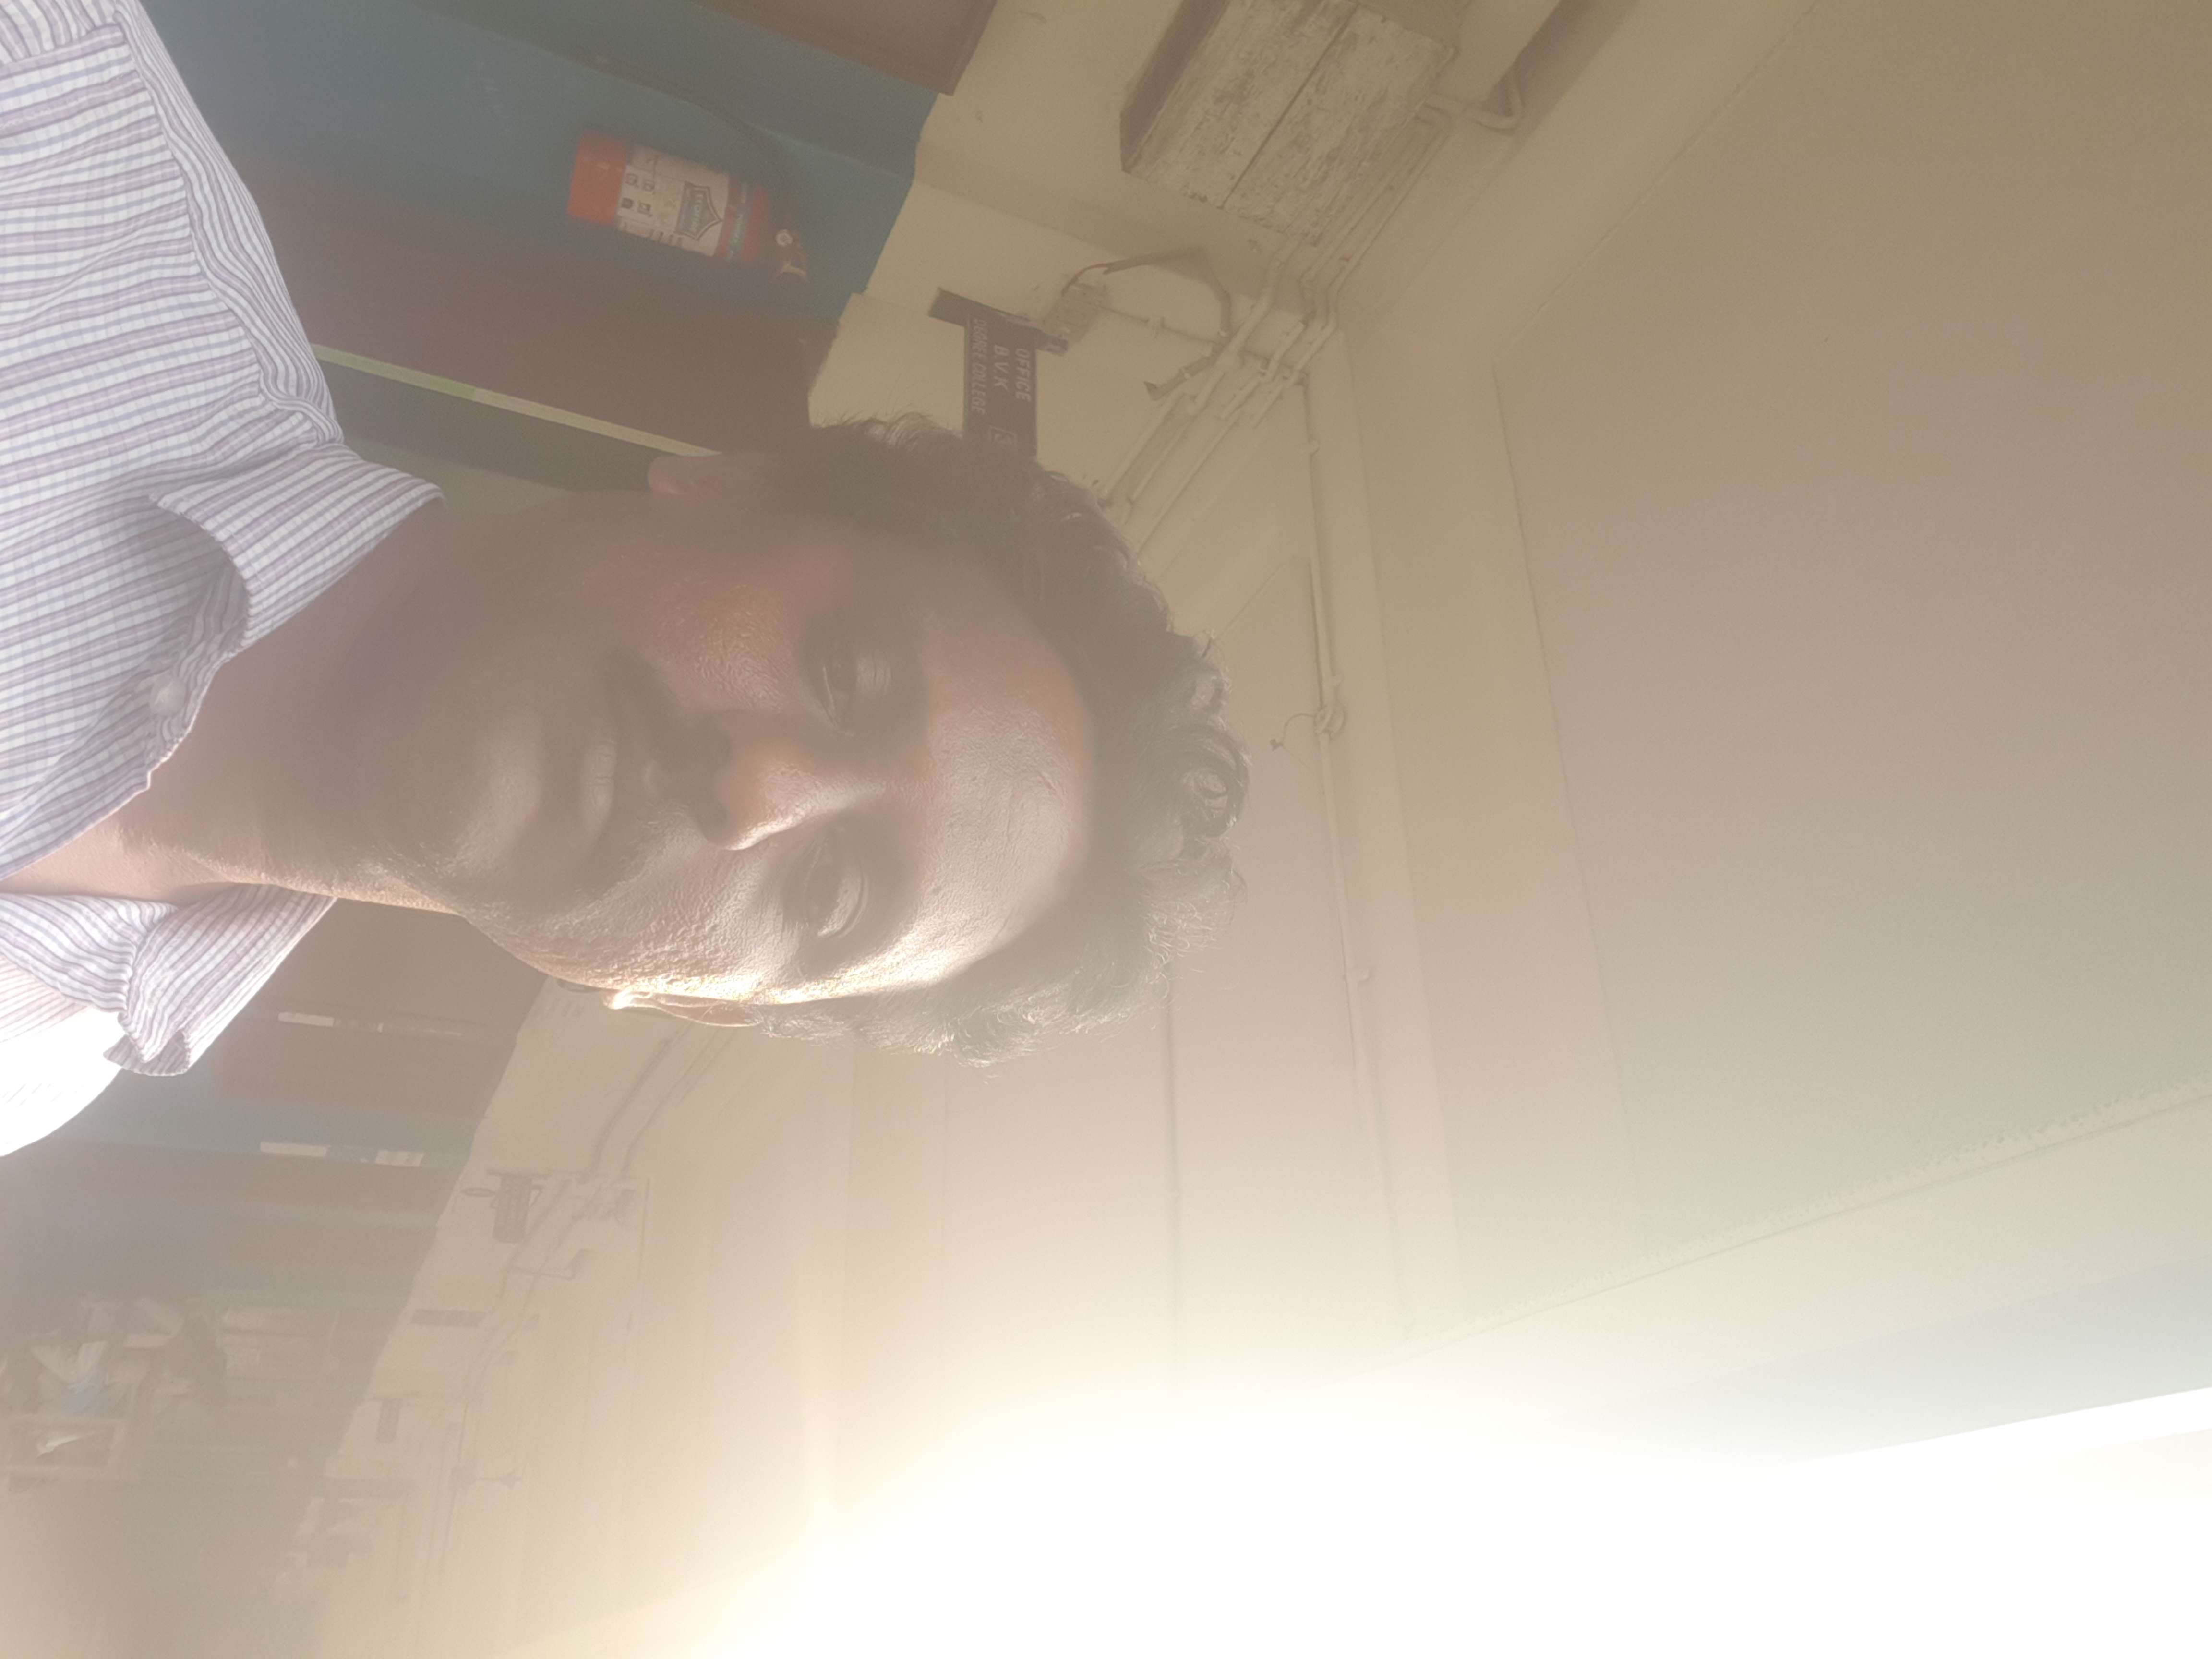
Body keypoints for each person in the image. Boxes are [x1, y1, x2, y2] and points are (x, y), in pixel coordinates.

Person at [0, 0, 1247, 1152]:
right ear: (727, 485)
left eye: (828, 893)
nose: (759, 790)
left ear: (693, 1002)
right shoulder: (44, 128)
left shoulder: (41, 1070)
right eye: (844, 672)